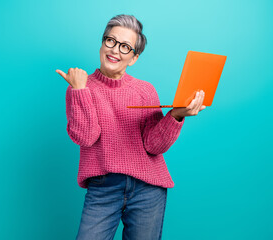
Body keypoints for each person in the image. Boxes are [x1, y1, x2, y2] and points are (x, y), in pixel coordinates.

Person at [56, 14, 205, 240]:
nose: (115, 50)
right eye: (111, 41)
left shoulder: (145, 90)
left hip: (148, 189)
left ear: (134, 58)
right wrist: (79, 90)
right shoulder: (81, 87)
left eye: (125, 47)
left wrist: (175, 115)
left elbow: (154, 145)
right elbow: (86, 137)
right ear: (102, 43)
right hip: (103, 188)